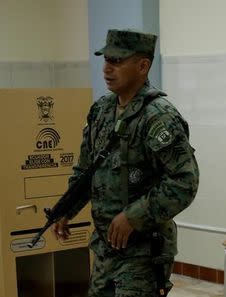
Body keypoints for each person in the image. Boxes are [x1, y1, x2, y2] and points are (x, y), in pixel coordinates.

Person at [52, 29, 199, 297]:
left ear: (143, 66)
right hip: (106, 247)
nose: (107, 69)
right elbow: (87, 170)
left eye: (117, 61)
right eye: (106, 60)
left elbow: (184, 182)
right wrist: (66, 208)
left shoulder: (159, 117)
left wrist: (134, 216)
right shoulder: (102, 111)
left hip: (143, 252)